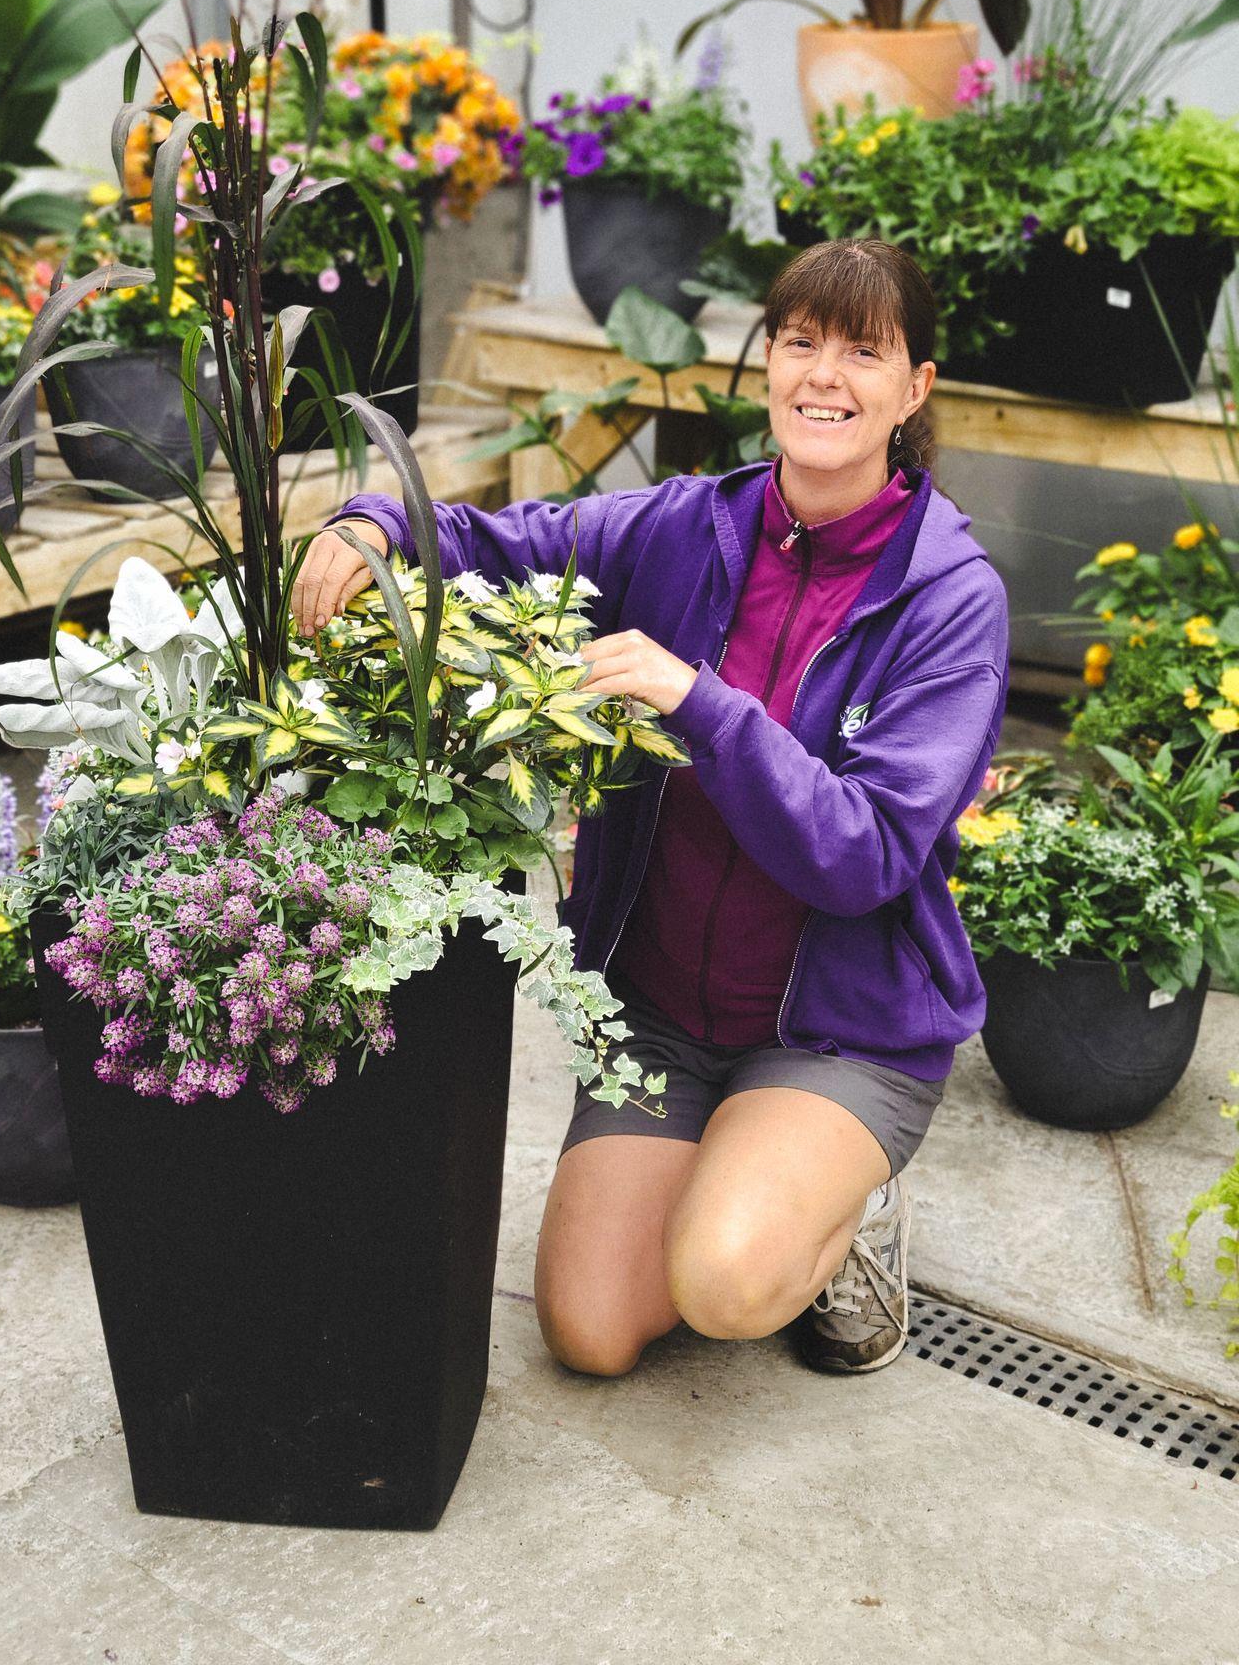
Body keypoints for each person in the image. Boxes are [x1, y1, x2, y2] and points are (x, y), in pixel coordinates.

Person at [292, 237, 1009, 1378]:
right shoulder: (694, 525)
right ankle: (734, 1164)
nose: (824, 375)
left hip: (839, 1032)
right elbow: (503, 545)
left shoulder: (947, 599)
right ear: (769, 361)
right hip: (668, 1022)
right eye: (800, 342)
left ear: (914, 388)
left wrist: (701, 706)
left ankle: (851, 1211)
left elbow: (866, 855)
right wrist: (376, 522)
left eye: (863, 352)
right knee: (589, 1330)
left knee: (725, 1284)